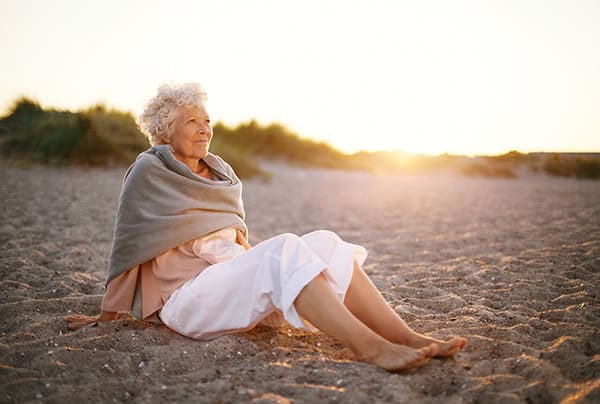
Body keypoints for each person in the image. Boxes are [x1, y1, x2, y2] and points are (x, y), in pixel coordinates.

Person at [66, 82, 466, 371]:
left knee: (325, 241)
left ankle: (407, 337)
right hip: (187, 301)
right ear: (163, 129)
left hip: (226, 287)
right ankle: (370, 347)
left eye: (207, 120)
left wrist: (265, 273)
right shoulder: (149, 170)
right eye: (191, 121)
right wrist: (107, 317)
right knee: (284, 247)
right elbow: (128, 243)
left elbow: (231, 248)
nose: (204, 128)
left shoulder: (219, 173)